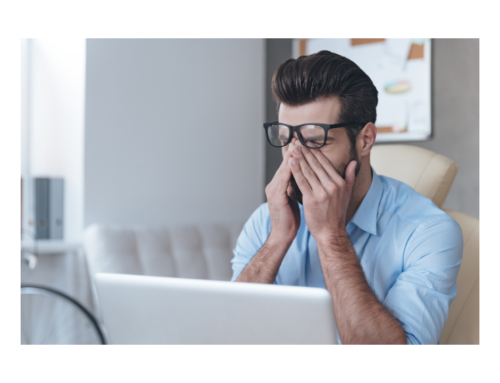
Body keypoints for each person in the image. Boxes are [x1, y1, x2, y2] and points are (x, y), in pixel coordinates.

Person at [230, 50, 463, 345]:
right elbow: (229, 338)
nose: (294, 157)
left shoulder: (429, 232)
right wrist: (277, 240)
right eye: (285, 138)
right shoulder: (267, 221)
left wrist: (331, 237)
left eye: (314, 141)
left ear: (365, 139)